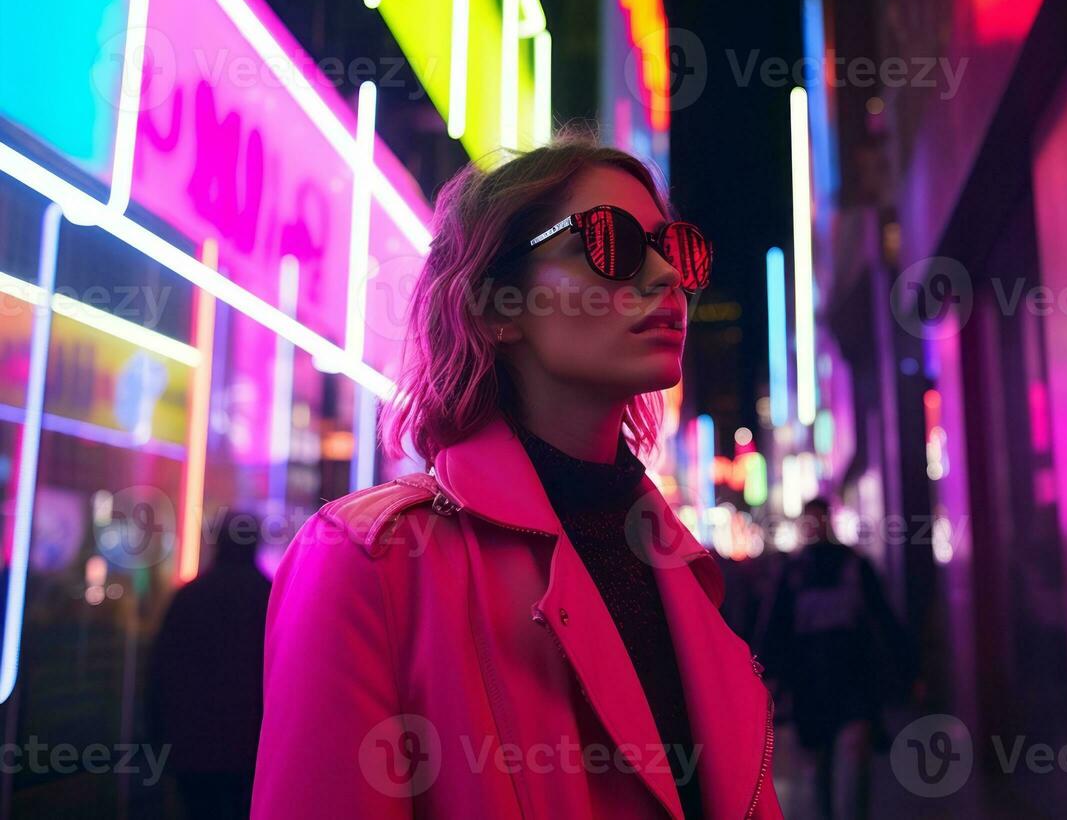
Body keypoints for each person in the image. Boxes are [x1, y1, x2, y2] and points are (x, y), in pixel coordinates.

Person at [252, 140, 781, 819]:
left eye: (672, 249)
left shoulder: (678, 565)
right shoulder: (369, 561)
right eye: (609, 243)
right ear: (495, 306)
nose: (664, 277)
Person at [757, 498, 914, 820]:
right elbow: (774, 630)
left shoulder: (847, 567)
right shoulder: (796, 573)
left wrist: (911, 670)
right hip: (813, 691)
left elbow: (885, 620)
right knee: (822, 778)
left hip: (847, 688)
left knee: (846, 779)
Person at [148, 510, 271, 820]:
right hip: (253, 749)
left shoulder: (189, 598)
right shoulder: (270, 597)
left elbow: (162, 671)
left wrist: (156, 736)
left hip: (194, 746)